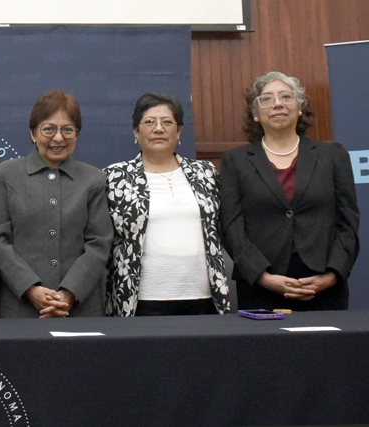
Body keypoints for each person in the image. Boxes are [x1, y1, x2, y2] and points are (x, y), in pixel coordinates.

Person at [220, 71, 360, 310]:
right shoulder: (236, 161)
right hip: (261, 285)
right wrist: (263, 277)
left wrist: (333, 275)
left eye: (286, 97)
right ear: (255, 114)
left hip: (323, 283)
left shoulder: (333, 155)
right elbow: (232, 226)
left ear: (300, 108)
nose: (277, 104)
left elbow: (348, 222)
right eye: (267, 99)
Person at [0, 90, 113, 318]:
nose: (58, 138)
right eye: (48, 129)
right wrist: (30, 289)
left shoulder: (94, 179)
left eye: (68, 130)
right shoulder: (6, 174)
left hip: (80, 309)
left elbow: (99, 242)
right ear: (33, 133)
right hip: (20, 308)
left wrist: (69, 292)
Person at [105, 92, 230, 317]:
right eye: (149, 122)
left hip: (203, 297)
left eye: (167, 122)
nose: (159, 129)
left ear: (179, 132)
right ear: (136, 131)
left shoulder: (206, 173)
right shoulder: (115, 177)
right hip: (142, 300)